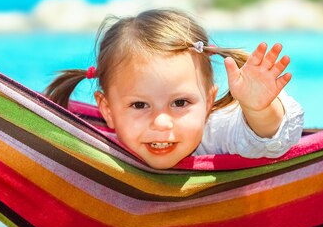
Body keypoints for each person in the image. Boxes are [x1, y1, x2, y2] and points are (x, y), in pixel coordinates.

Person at [45, 9, 304, 169]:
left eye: (180, 103)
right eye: (139, 105)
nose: (162, 122)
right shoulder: (94, 148)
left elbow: (268, 142)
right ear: (108, 110)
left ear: (208, 102)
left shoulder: (212, 133)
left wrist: (257, 109)